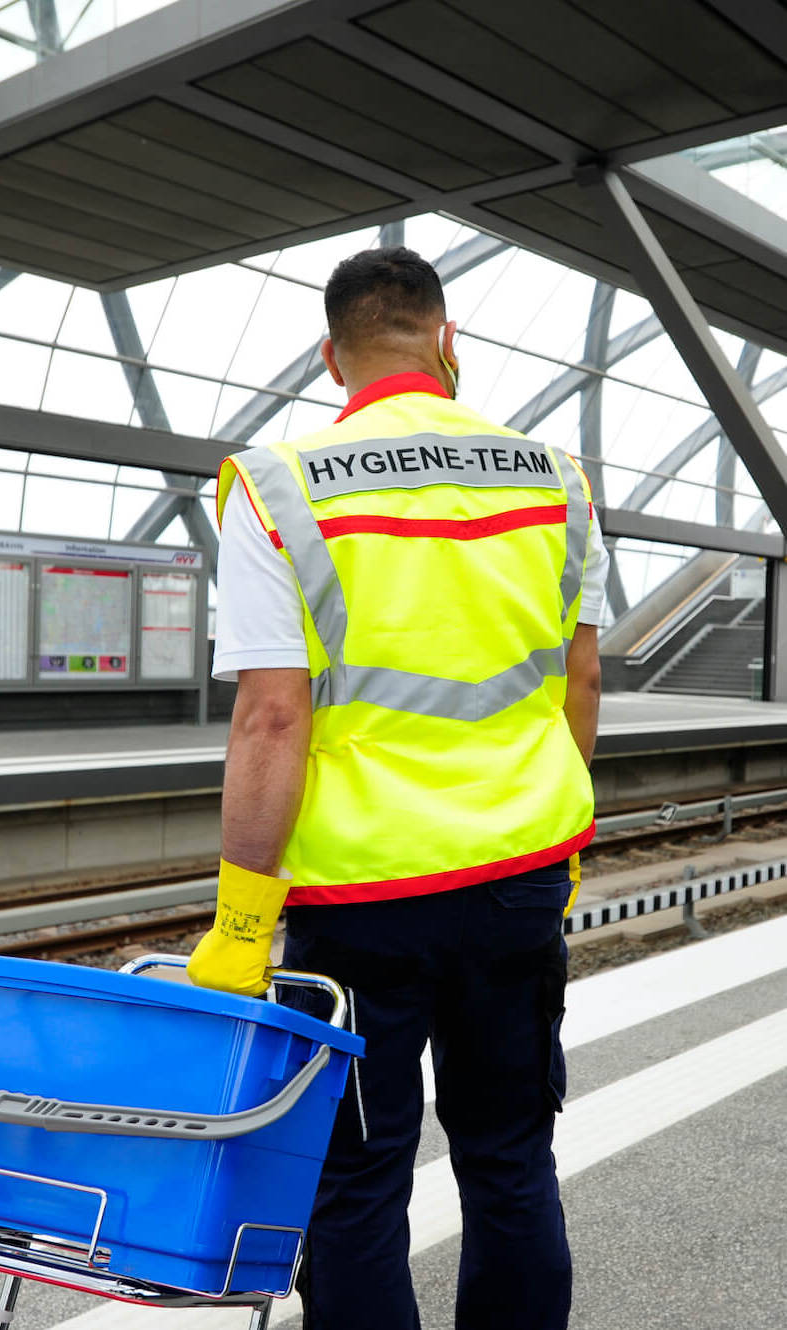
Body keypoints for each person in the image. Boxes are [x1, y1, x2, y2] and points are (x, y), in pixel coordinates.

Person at [188, 246, 605, 1330]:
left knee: (358, 1178)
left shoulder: (275, 484)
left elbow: (272, 716)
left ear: (333, 357)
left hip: (360, 904)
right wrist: (558, 849)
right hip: (515, 886)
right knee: (509, 1158)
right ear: (446, 341)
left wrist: (242, 919)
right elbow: (580, 679)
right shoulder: (554, 476)